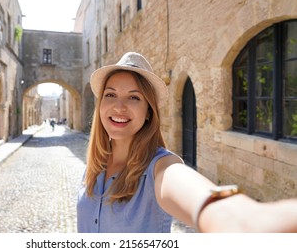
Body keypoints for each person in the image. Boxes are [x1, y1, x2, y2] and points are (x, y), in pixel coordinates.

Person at [77, 51, 297, 233]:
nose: (119, 106)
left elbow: (185, 186)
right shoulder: (94, 167)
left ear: (148, 112)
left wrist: (233, 217)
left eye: (134, 97)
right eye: (110, 95)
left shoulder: (160, 167)